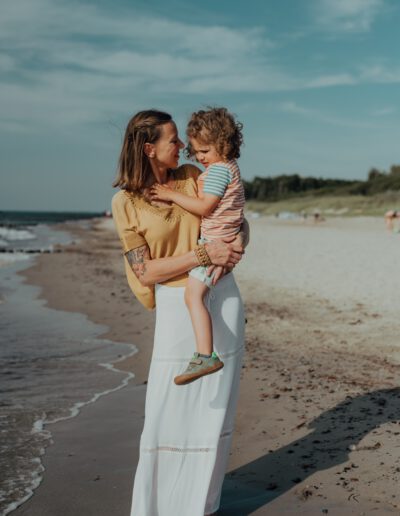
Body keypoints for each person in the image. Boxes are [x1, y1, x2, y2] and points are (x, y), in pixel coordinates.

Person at [111, 109, 248, 516]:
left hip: (221, 296)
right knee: (167, 413)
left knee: (213, 411)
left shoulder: (194, 175)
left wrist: (239, 241)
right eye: (174, 140)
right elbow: (146, 270)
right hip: (176, 306)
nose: (183, 147)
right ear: (149, 148)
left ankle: (201, 507)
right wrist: (204, 252)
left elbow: (235, 217)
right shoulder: (126, 202)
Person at [150, 107, 245, 386]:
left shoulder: (217, 172)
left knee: (193, 297)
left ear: (223, 144)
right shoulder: (230, 169)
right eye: (196, 152)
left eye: (204, 151)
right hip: (224, 238)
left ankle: (205, 355)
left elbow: (205, 206)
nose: (199, 158)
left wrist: (170, 194)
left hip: (214, 243)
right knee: (202, 295)